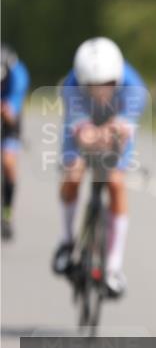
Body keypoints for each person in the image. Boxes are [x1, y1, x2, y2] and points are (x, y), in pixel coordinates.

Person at [51, 37, 146, 298]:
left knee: (115, 183)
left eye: (107, 84)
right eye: (93, 85)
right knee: (73, 175)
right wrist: (90, 136)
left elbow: (122, 132)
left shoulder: (133, 86)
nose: (101, 90)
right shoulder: (70, 85)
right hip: (84, 127)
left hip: (116, 129)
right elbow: (81, 135)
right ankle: (66, 241)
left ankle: (114, 268)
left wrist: (110, 134)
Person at [1, 45, 30, 240]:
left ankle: (7, 213)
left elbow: (11, 113)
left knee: (9, 164)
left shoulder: (18, 75)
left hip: (8, 120)